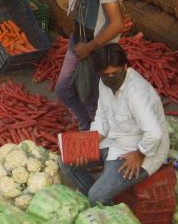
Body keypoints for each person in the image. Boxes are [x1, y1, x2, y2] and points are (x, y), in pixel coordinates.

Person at [60, 44, 169, 207]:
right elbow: (102, 118)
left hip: (141, 152)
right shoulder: (105, 84)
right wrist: (86, 146)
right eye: (106, 74)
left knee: (97, 196)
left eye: (115, 73)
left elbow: (155, 133)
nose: (111, 77)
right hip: (114, 141)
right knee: (67, 162)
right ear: (99, 73)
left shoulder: (137, 93)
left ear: (125, 67)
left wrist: (140, 153)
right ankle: (99, 204)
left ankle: (105, 207)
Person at [56, 0, 124, 131]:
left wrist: (90, 47)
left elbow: (117, 23)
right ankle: (86, 125)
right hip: (80, 39)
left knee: (94, 100)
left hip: (98, 48)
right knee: (64, 90)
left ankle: (95, 138)